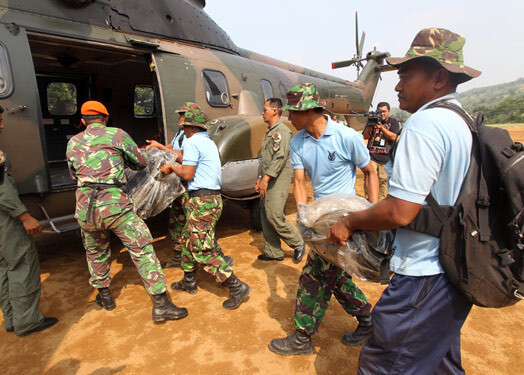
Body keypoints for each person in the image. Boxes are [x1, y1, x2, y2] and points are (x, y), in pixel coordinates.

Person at [328, 28, 481, 374]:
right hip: (456, 265)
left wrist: (349, 221)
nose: (397, 86)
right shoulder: (462, 120)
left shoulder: (425, 124)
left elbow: (400, 211)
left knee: (385, 364)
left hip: (425, 274)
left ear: (439, 77)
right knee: (439, 361)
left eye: (406, 77)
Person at [268, 83, 379, 356]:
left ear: (310, 111)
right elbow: (299, 181)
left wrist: (373, 215)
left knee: (314, 276)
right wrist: (303, 212)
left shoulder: (346, 136)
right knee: (335, 275)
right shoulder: (298, 142)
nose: (289, 118)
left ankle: (302, 337)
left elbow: (371, 172)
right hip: (319, 220)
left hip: (346, 220)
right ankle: (367, 320)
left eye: (293, 112)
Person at [66, 100, 187, 323]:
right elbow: (141, 162)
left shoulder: (73, 142)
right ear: (105, 118)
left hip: (85, 208)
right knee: (142, 250)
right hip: (114, 206)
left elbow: (74, 174)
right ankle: (161, 305)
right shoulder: (117, 135)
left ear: (83, 121)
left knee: (95, 251)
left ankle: (105, 297)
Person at [161, 107, 250, 309]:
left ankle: (236, 286)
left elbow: (187, 174)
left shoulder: (192, 142)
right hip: (209, 199)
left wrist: (171, 167)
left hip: (202, 200)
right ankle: (189, 279)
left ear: (190, 127)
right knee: (187, 239)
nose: (182, 128)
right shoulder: (208, 142)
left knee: (202, 248)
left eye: (183, 126)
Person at [147, 102, 233, 269]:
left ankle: (219, 258)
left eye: (183, 115)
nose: (180, 118)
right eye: (180, 115)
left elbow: (184, 158)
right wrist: (163, 148)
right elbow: (174, 149)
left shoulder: (193, 140)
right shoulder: (183, 134)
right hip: (180, 185)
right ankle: (182, 262)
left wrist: (164, 153)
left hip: (191, 187)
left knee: (197, 226)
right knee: (178, 224)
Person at [0, 106, 58, 337]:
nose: (2, 125)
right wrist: (24, 216)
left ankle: (12, 319)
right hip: (5, 219)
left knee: (5, 266)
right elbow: (2, 189)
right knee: (23, 263)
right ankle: (28, 321)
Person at [255, 98, 305, 263]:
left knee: (274, 214)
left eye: (265, 109)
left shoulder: (281, 131)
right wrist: (261, 178)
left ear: (274, 111)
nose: (263, 112)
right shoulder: (270, 131)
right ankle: (273, 251)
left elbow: (280, 157)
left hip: (277, 177)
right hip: (268, 177)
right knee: (265, 213)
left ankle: (298, 243)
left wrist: (267, 178)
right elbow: (267, 158)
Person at [362, 102, 400, 200]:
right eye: (379, 111)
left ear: (389, 111)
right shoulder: (372, 120)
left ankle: (381, 201)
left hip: (386, 158)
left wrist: (382, 129)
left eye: (384, 111)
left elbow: (394, 137)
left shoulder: (393, 122)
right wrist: (371, 125)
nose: (381, 114)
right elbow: (365, 136)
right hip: (372, 157)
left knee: (383, 181)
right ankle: (369, 201)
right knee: (369, 178)